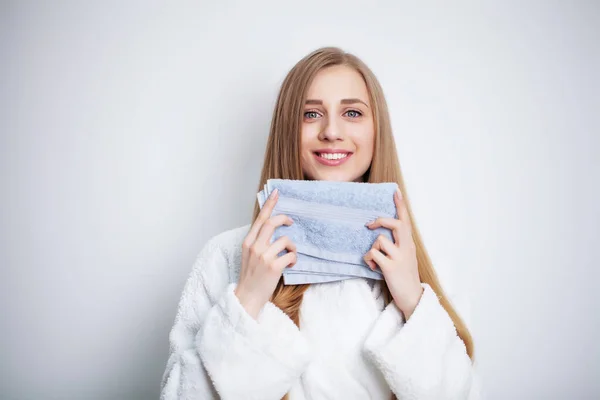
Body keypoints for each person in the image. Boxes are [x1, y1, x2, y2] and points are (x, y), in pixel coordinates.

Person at [160, 46, 481, 400]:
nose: (331, 131)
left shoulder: (422, 260)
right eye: (311, 113)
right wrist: (247, 301)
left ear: (378, 131)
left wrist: (411, 302)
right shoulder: (227, 255)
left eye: (353, 113)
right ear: (288, 129)